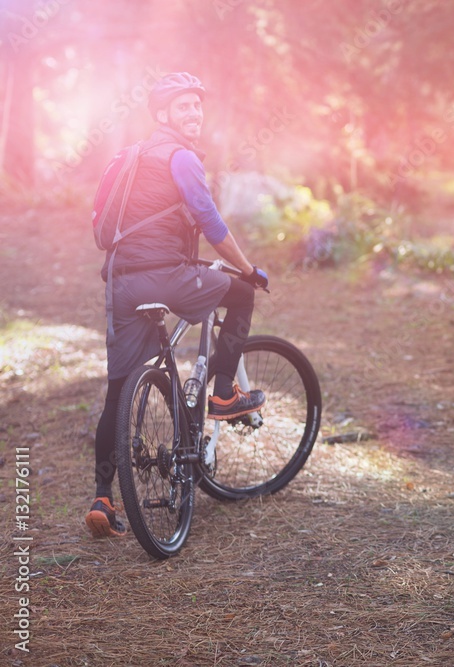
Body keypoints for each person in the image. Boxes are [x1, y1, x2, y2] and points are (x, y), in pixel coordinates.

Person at [85, 72, 270, 539]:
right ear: (163, 114)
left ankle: (103, 497)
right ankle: (225, 391)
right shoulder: (180, 157)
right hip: (167, 275)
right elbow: (209, 221)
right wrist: (247, 267)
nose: (194, 114)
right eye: (183, 106)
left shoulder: (129, 157)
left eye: (197, 105)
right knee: (241, 293)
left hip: (120, 282)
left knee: (118, 389)